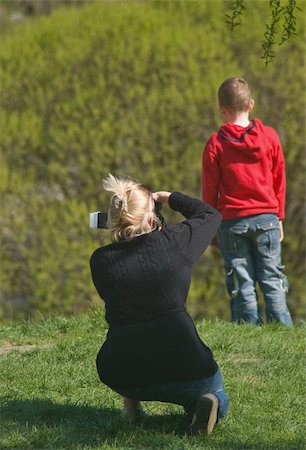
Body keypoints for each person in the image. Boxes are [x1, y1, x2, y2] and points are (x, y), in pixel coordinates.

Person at [90, 173, 229, 435]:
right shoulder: (174, 244)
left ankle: (132, 408)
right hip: (184, 363)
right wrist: (171, 198)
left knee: (131, 328)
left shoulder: (100, 261)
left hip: (122, 371)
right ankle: (209, 403)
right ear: (152, 218)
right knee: (215, 388)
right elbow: (211, 216)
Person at [202, 77, 292, 326]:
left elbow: (210, 189)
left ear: (222, 109)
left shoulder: (215, 144)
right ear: (251, 104)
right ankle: (281, 327)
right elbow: (279, 180)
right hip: (267, 218)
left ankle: (246, 328)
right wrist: (279, 216)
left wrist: (209, 226)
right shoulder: (270, 137)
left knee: (241, 279)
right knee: (272, 276)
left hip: (232, 222)